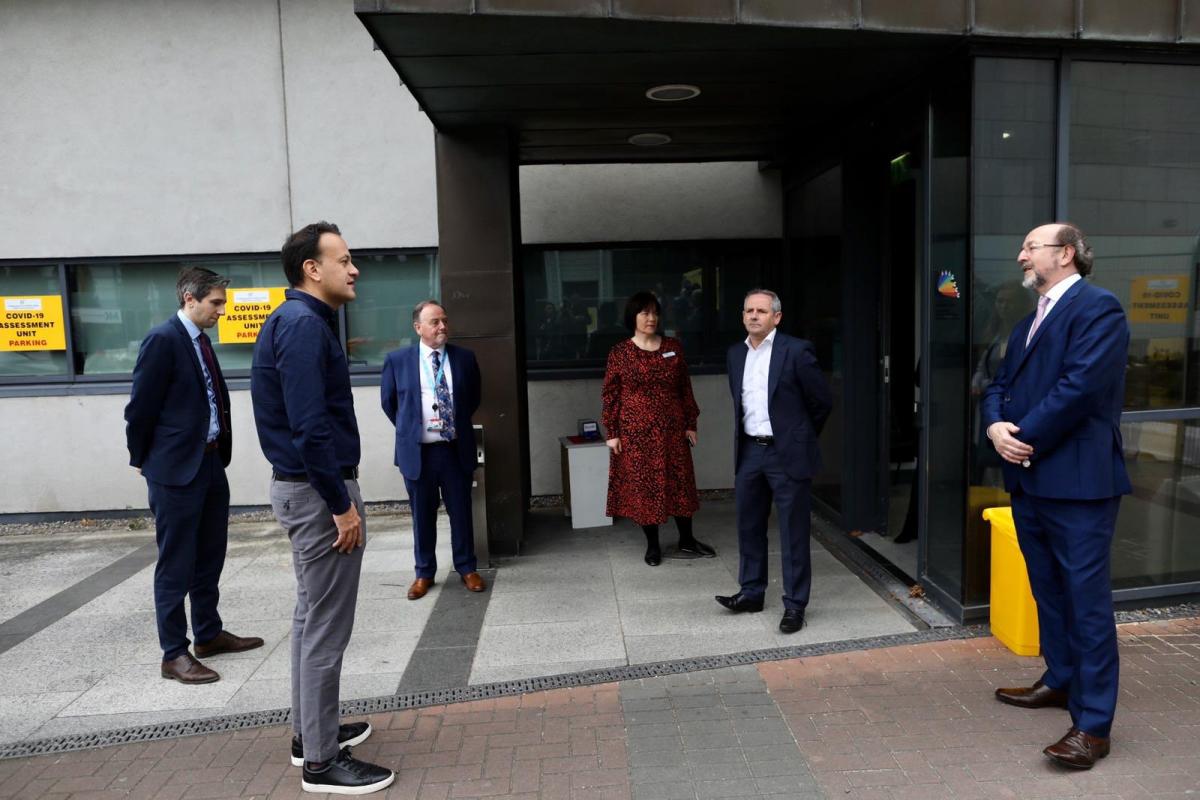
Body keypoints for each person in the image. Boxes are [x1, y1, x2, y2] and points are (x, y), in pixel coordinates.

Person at [251, 222, 393, 795]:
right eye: (345, 259)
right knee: (325, 630)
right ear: (313, 268)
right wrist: (341, 506)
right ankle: (321, 762)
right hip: (319, 492)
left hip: (304, 487)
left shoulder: (297, 322)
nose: (354, 269)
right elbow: (309, 428)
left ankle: (312, 734)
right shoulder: (303, 326)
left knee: (311, 620)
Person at [982, 223, 1130, 770]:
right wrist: (996, 426)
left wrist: (1020, 437)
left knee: (1086, 604)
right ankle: (1062, 679)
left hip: (1078, 483)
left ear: (1065, 254)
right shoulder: (1027, 323)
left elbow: (1081, 386)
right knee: (1049, 592)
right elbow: (997, 384)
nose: (1021, 254)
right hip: (1030, 480)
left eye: (1030, 247)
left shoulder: (1099, 309)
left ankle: (1092, 726)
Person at [125, 267, 263, 685]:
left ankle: (207, 634)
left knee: (210, 554)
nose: (222, 310)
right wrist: (144, 461)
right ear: (190, 298)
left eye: (223, 302)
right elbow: (140, 410)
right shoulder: (163, 340)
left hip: (208, 463)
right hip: (174, 471)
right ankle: (174, 653)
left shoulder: (200, 341)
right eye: (215, 302)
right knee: (176, 564)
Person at [716, 289, 832, 634]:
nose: (754, 316)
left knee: (793, 531)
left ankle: (795, 605)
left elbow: (821, 401)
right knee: (748, 524)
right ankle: (752, 591)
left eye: (762, 311)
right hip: (750, 451)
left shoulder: (796, 351)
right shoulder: (736, 354)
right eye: (748, 310)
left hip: (786, 453)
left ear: (776, 317)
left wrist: (799, 436)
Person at [380, 300, 485, 601]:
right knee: (421, 515)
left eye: (444, 320)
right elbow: (390, 404)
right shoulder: (398, 360)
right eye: (435, 321)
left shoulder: (464, 358)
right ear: (418, 328)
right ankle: (424, 573)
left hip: (454, 450)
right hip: (419, 453)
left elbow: (472, 399)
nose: (442, 326)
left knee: (461, 513)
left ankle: (467, 568)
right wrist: (413, 429)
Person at [602, 291, 714, 566]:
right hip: (636, 432)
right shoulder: (620, 352)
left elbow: (684, 388)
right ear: (633, 317)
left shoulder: (673, 346)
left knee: (680, 483)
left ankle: (687, 539)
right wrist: (612, 432)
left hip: (672, 429)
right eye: (644, 313)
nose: (651, 318)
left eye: (654, 312)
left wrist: (691, 423)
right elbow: (611, 394)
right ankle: (653, 545)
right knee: (644, 486)